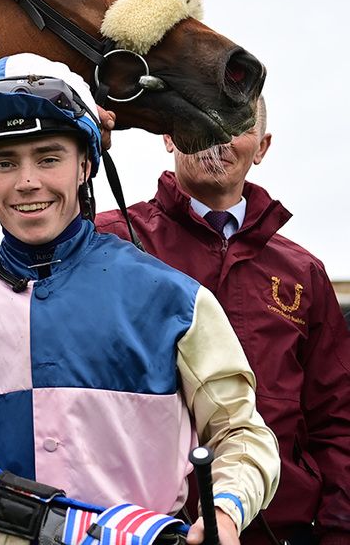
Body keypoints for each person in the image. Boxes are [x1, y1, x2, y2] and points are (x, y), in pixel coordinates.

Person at [0, 54, 280, 545]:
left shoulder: (174, 298)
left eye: (48, 157)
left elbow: (242, 434)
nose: (27, 182)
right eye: (3, 162)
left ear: (85, 164)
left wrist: (226, 512)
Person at [95, 97, 350, 545]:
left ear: (262, 146)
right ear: (168, 134)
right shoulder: (109, 242)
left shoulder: (302, 273)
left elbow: (336, 421)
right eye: (198, 118)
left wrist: (337, 532)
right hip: (140, 528)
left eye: (236, 124)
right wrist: (81, 147)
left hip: (280, 530)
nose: (217, 136)